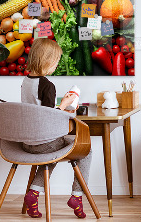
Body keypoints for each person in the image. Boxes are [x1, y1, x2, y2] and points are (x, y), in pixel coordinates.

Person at [21, 38, 91, 219]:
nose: (57, 65)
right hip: (44, 142)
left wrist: (60, 106)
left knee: (51, 154)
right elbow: (48, 117)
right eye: (57, 61)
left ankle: (33, 194)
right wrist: (66, 104)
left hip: (27, 142)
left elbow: (38, 110)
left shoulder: (26, 81)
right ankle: (77, 196)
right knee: (86, 150)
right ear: (48, 61)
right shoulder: (47, 85)